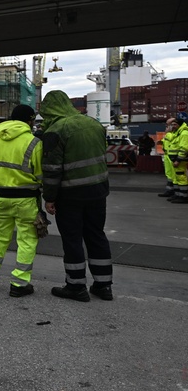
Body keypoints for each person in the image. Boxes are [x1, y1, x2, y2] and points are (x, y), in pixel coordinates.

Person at [41, 90, 113, 302]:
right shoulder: (93, 123)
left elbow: (52, 169)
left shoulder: (55, 130)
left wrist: (49, 197)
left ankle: (75, 286)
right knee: (96, 235)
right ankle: (103, 285)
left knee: (73, 239)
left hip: (71, 194)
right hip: (98, 190)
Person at [0, 105, 43, 297]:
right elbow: (40, 175)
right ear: (29, 121)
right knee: (26, 241)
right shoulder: (33, 142)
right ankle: (19, 284)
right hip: (26, 200)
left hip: (1, 198)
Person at [169, 112, 188, 204]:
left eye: (174, 124)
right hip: (176, 159)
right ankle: (179, 195)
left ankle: (184, 197)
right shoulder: (178, 132)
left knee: (181, 177)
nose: (173, 126)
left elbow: (184, 148)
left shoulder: (184, 133)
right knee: (178, 177)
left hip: (180, 160)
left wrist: (178, 160)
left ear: (179, 125)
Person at [158, 118, 177, 198]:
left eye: (167, 125)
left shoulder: (176, 134)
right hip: (167, 155)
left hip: (173, 157)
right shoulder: (169, 134)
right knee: (169, 175)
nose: (166, 127)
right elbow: (166, 141)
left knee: (175, 175)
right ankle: (169, 191)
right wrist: (161, 141)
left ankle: (177, 193)